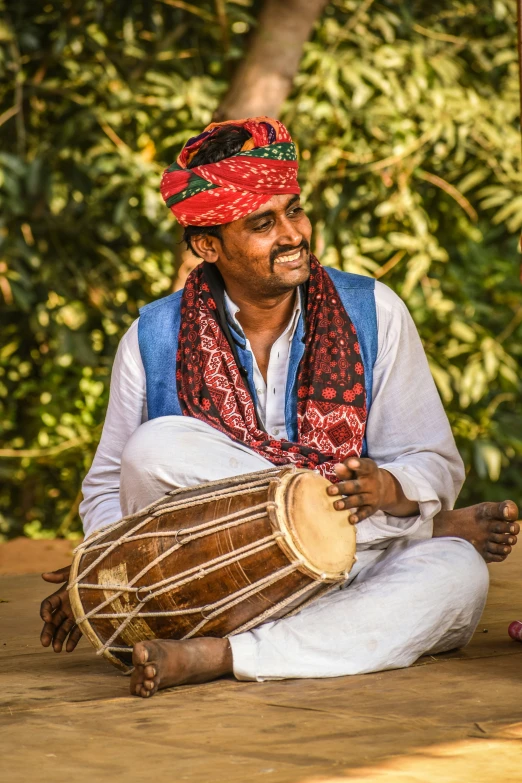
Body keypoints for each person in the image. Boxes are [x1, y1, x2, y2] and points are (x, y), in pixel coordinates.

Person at [40, 117, 519, 698]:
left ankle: (222, 656)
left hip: (348, 578)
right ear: (207, 245)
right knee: (157, 446)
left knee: (458, 575)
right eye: (262, 223)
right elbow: (110, 485)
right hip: (216, 587)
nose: (292, 234)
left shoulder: (374, 310)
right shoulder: (152, 336)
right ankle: (419, 535)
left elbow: (434, 461)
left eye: (294, 210)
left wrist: (390, 488)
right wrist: (102, 574)